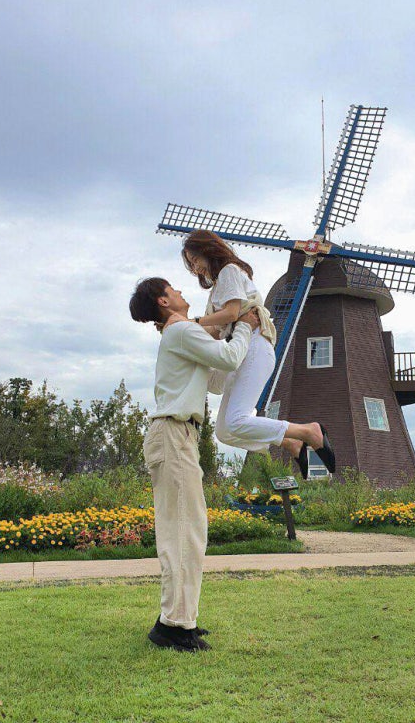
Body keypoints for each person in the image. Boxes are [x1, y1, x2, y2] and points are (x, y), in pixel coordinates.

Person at [129, 276, 260, 653]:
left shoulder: (181, 334)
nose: (184, 293)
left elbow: (217, 380)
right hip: (173, 434)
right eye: (175, 289)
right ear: (164, 301)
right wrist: (246, 329)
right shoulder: (181, 330)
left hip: (178, 435)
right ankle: (174, 626)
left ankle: (176, 618)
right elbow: (231, 358)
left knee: (184, 529)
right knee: (185, 530)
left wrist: (224, 335)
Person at [181, 229, 335, 478]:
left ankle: (309, 431)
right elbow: (214, 329)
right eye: (190, 264)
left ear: (207, 251)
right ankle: (290, 442)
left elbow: (231, 313)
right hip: (237, 352)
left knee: (236, 420)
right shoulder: (217, 288)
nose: (194, 267)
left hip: (253, 346)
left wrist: (194, 320)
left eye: (195, 259)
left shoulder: (229, 270)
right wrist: (182, 328)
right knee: (224, 431)